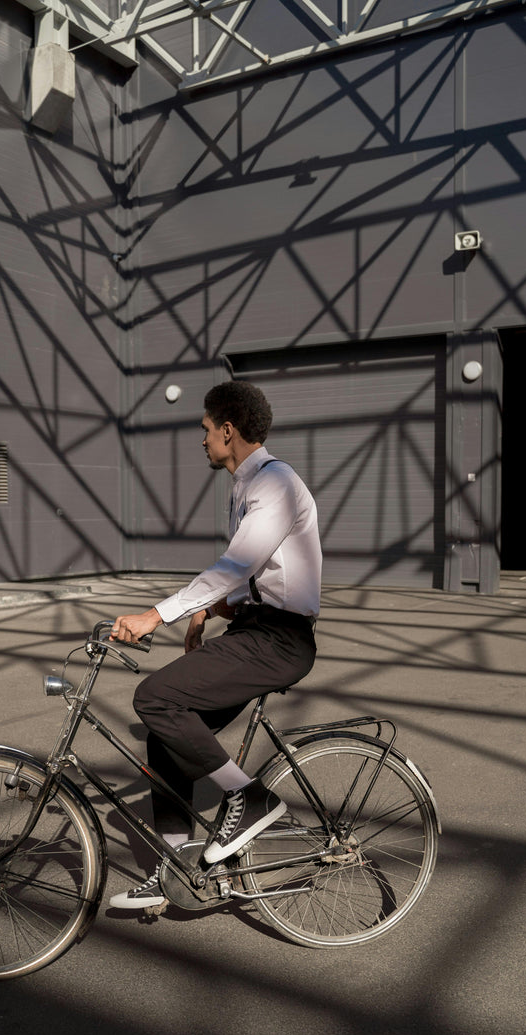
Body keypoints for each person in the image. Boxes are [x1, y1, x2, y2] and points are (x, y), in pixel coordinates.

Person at [109, 380, 322, 908]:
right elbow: (266, 576)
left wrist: (155, 615)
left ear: (228, 430)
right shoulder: (247, 485)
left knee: (154, 698)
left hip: (278, 641)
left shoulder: (275, 484)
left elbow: (238, 565)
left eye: (206, 430)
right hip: (257, 628)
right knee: (165, 738)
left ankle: (248, 798)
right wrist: (209, 608)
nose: (201, 440)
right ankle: (176, 871)